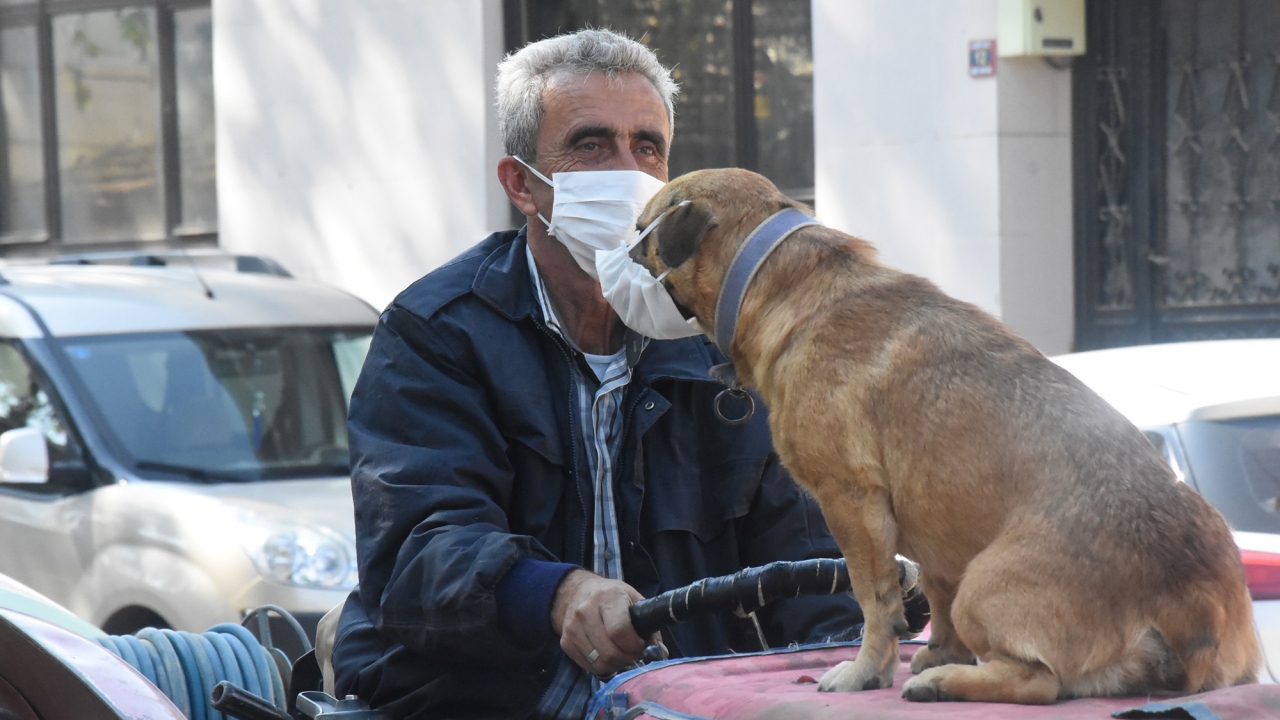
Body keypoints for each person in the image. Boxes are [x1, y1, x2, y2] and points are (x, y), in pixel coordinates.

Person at [330, 28, 862, 720]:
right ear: (522, 184)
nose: (628, 171)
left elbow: (812, 559)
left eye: (647, 147)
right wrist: (558, 593)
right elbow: (418, 554)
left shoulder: (721, 345)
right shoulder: (436, 332)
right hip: (485, 703)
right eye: (591, 144)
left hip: (684, 702)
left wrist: (859, 661)